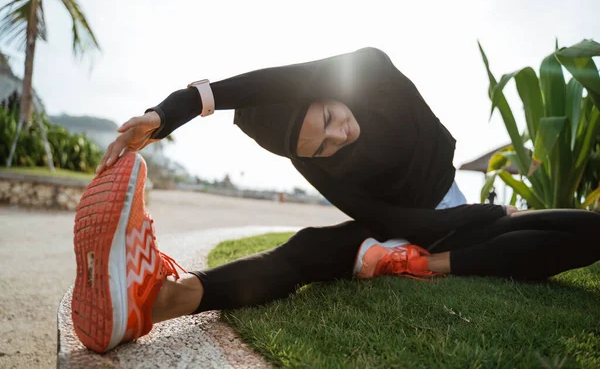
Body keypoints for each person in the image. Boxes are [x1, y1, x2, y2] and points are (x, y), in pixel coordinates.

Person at [71, 48, 600, 353]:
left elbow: (278, 80)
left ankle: (422, 264)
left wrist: (169, 113)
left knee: (584, 230)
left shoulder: (372, 72)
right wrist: (423, 238)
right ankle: (160, 301)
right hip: (401, 227)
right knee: (307, 249)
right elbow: (387, 218)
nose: (338, 139)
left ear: (326, 90)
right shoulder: (313, 161)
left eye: (328, 119)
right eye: (319, 147)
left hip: (449, 207)